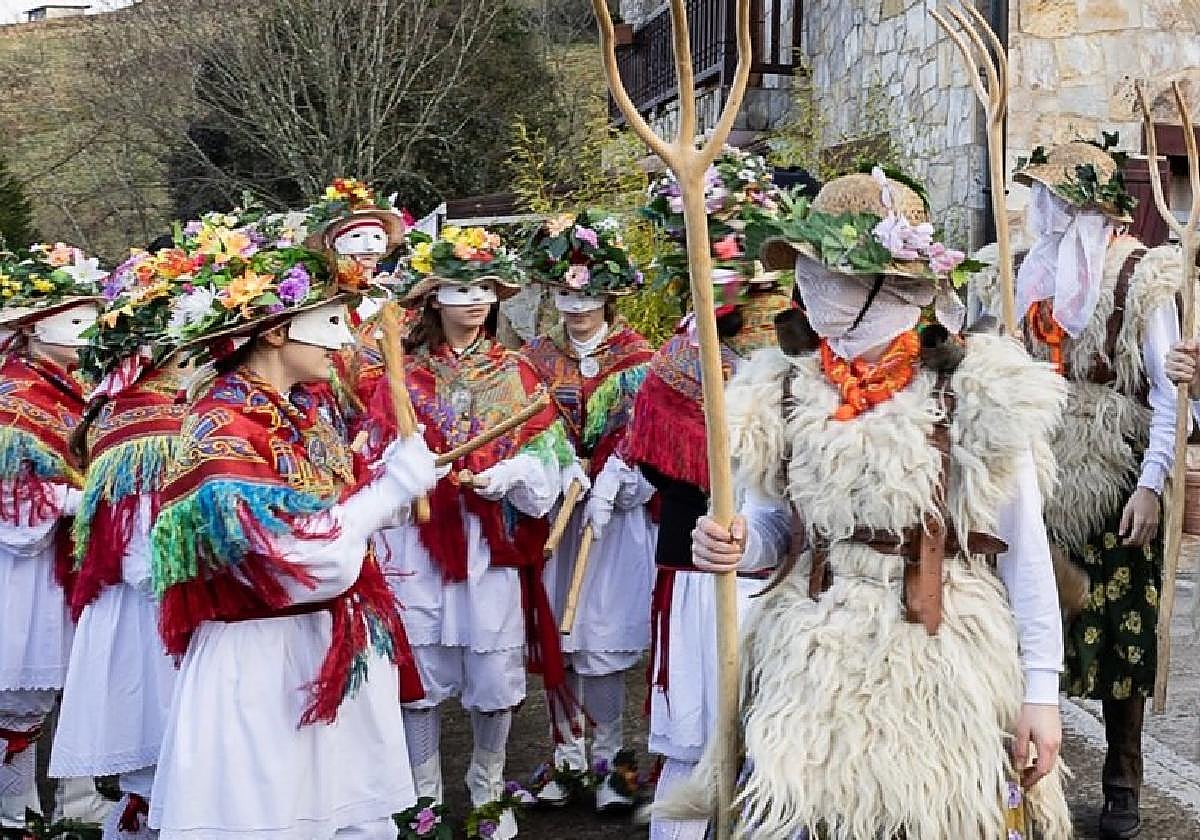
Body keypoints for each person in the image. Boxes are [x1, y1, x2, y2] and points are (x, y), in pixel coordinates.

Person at [658, 168, 1071, 839]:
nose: (807, 288)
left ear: (889, 287)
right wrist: (739, 542)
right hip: (812, 653)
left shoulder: (979, 394)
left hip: (939, 657)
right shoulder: (781, 389)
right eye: (810, 272)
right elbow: (778, 528)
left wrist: (1041, 694)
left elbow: (1025, 553)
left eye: (829, 273)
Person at [145, 242, 439, 840]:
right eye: (330, 322)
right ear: (275, 331)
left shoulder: (307, 410)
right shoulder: (222, 425)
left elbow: (336, 518)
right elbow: (300, 564)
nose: (344, 340)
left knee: (350, 820)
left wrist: (386, 488)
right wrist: (384, 495)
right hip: (262, 664)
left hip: (327, 649)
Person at [972, 140, 1184, 840]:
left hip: (1114, 474)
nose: (1047, 213)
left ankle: (1122, 783)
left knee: (1122, 638)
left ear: (1092, 207)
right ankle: (1028, 778)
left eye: (1059, 200)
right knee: (1028, 624)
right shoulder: (1031, 277)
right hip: (1038, 470)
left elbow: (1165, 392)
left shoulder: (1144, 279)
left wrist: (1151, 486)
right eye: (1043, 199)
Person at [367, 225, 569, 840]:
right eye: (459, 288)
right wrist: (408, 477)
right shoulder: (400, 379)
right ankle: (422, 793)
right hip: (421, 545)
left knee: (493, 669)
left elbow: (553, 458)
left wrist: (509, 473)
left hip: (491, 545)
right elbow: (373, 456)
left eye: (484, 286)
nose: (475, 299)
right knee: (421, 667)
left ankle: (486, 786)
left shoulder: (519, 373)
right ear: (432, 299)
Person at [628, 147, 791, 840]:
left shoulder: (810, 350)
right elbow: (658, 468)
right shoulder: (682, 360)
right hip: (708, 573)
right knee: (701, 743)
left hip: (793, 578)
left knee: (782, 748)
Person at [49, 241, 198, 839]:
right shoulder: (150, 423)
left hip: (144, 605)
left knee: (163, 762)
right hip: (151, 610)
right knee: (162, 754)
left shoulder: (128, 409)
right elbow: (139, 548)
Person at [518, 210, 656, 810]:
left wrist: (624, 481)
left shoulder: (638, 357)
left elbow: (653, 433)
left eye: (588, 296)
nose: (576, 308)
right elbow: (523, 426)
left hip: (612, 518)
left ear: (609, 295)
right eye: (565, 296)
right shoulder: (534, 358)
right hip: (554, 514)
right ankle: (565, 759)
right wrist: (551, 465)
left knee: (599, 636)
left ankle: (611, 765)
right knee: (559, 636)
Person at [0, 242, 105, 828]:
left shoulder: (75, 387)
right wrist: (86, 498)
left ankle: (77, 802)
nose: (87, 333)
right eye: (74, 320)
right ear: (37, 329)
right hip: (26, 567)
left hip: (73, 556)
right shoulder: (14, 394)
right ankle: (16, 810)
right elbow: (12, 499)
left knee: (77, 679)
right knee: (21, 696)